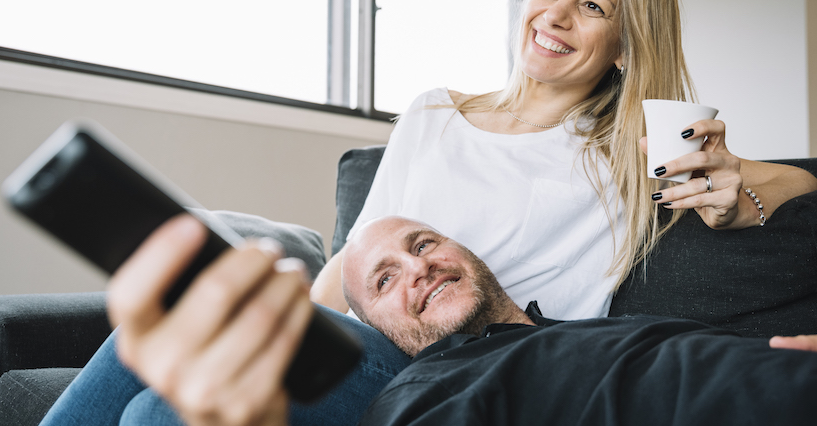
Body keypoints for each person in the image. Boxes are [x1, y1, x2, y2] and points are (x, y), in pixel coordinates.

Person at [39, 0, 817, 425]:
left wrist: (738, 187)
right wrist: (290, 324)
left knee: (156, 417)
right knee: (162, 324)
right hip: (362, 336)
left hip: (459, 371)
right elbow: (355, 257)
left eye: (593, 7)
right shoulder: (434, 111)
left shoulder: (629, 149)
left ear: (625, 41)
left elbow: (793, 184)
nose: (555, 15)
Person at [106, 214, 817, 426]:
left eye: (424, 245)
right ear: (377, 333)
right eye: (385, 280)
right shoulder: (427, 392)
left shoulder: (599, 324)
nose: (418, 267)